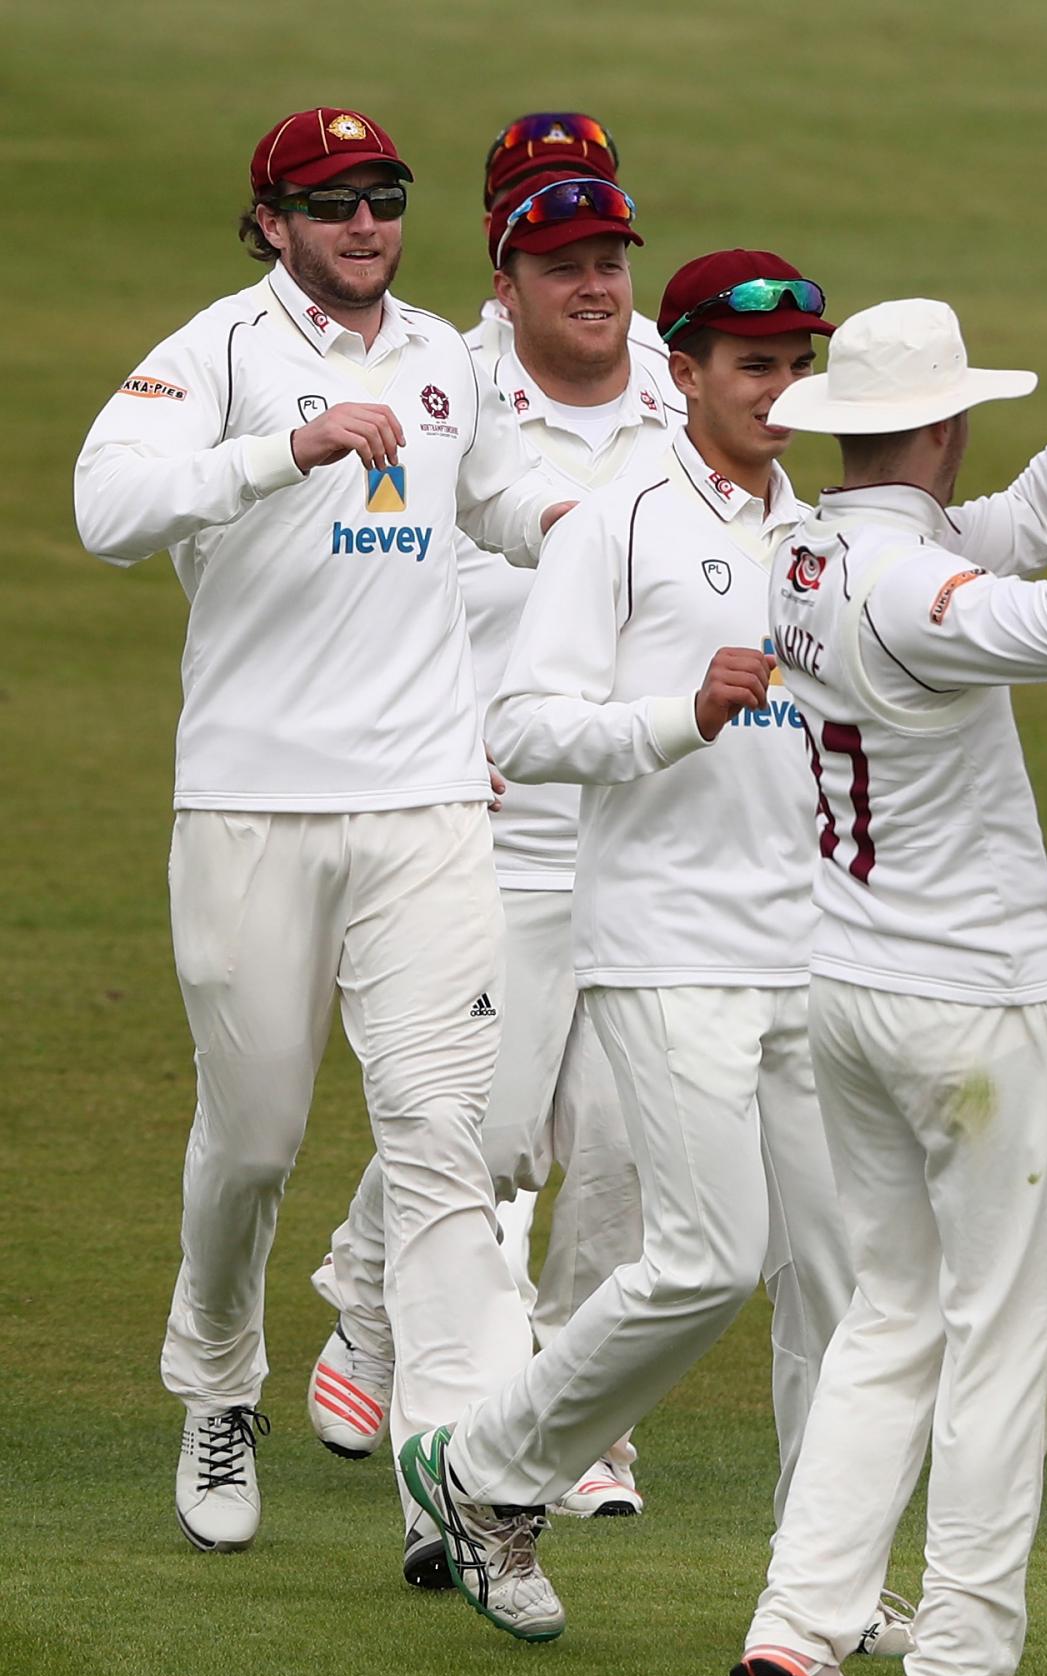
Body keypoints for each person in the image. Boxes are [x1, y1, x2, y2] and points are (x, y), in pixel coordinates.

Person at [73, 106, 572, 1560]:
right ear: (272, 217)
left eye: (385, 197)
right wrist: (280, 450)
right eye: (331, 201)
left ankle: (458, 1469)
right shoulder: (219, 350)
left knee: (441, 1129)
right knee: (256, 1138)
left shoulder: (439, 357)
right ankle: (217, 1379)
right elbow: (105, 505)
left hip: (426, 797)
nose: (364, 223)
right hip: (250, 796)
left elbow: (489, 500)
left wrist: (609, 528)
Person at [732, 248, 1047, 1676]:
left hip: (843, 990)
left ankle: (797, 1619)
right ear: (942, 428)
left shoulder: (807, 553)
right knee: (998, 1344)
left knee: (889, 1320)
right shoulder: (914, 579)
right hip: (969, 1005)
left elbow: (998, 536)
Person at [400, 252, 859, 1644]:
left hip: (808, 954)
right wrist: (678, 716)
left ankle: (822, 1575)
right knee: (713, 1259)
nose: (779, 390)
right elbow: (526, 728)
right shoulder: (619, 523)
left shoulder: (824, 539)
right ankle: (484, 1466)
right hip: (664, 945)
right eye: (751, 365)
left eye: (798, 366)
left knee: (841, 1276)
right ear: (692, 368)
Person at [304, 146, 676, 1564]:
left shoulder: (674, 381)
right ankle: (367, 1292)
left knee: (634, 1146)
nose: (596, 281)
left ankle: (580, 1418)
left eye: (612, 253)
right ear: (502, 273)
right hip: (494, 809)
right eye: (563, 256)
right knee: (499, 1128)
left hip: (643, 812)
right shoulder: (449, 397)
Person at [466, 113, 675, 386]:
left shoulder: (672, 367)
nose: (568, 198)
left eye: (587, 191)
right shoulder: (454, 373)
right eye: (530, 197)